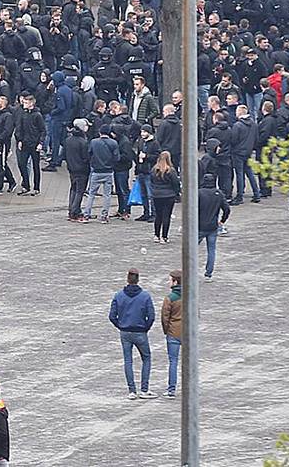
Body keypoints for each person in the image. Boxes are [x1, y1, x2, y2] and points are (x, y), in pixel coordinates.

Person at [108, 268, 156, 399]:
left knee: (128, 361)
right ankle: (144, 389)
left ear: (127, 279)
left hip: (125, 332)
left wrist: (121, 326)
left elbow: (112, 316)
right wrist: (145, 328)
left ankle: (132, 391)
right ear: (138, 279)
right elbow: (151, 316)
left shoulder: (118, 295)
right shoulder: (145, 296)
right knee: (146, 358)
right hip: (140, 332)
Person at [197, 173, 230, 281]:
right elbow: (227, 209)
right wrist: (222, 221)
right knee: (211, 250)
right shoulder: (218, 193)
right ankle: (208, 274)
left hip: (199, 226)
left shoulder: (199, 193)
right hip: (212, 226)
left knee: (191, 249)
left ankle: (189, 271)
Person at [84, 125, 119, 223]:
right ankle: (104, 216)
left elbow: (89, 154)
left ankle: (87, 214)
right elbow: (117, 158)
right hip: (108, 171)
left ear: (100, 132)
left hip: (96, 171)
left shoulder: (94, 142)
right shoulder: (113, 143)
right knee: (107, 195)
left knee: (91, 194)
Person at [160, 270, 183, 398]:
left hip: (173, 332)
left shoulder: (170, 298)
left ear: (175, 281)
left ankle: (171, 390)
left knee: (173, 361)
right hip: (187, 333)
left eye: (170, 280)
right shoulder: (190, 295)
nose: (168, 282)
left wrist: (167, 330)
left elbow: (165, 317)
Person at [148, 151, 179, 244]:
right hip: (169, 195)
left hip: (157, 195)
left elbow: (151, 181)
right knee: (166, 216)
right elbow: (175, 183)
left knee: (158, 215)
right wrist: (176, 192)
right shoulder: (170, 171)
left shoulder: (154, 170)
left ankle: (156, 235)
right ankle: (164, 236)